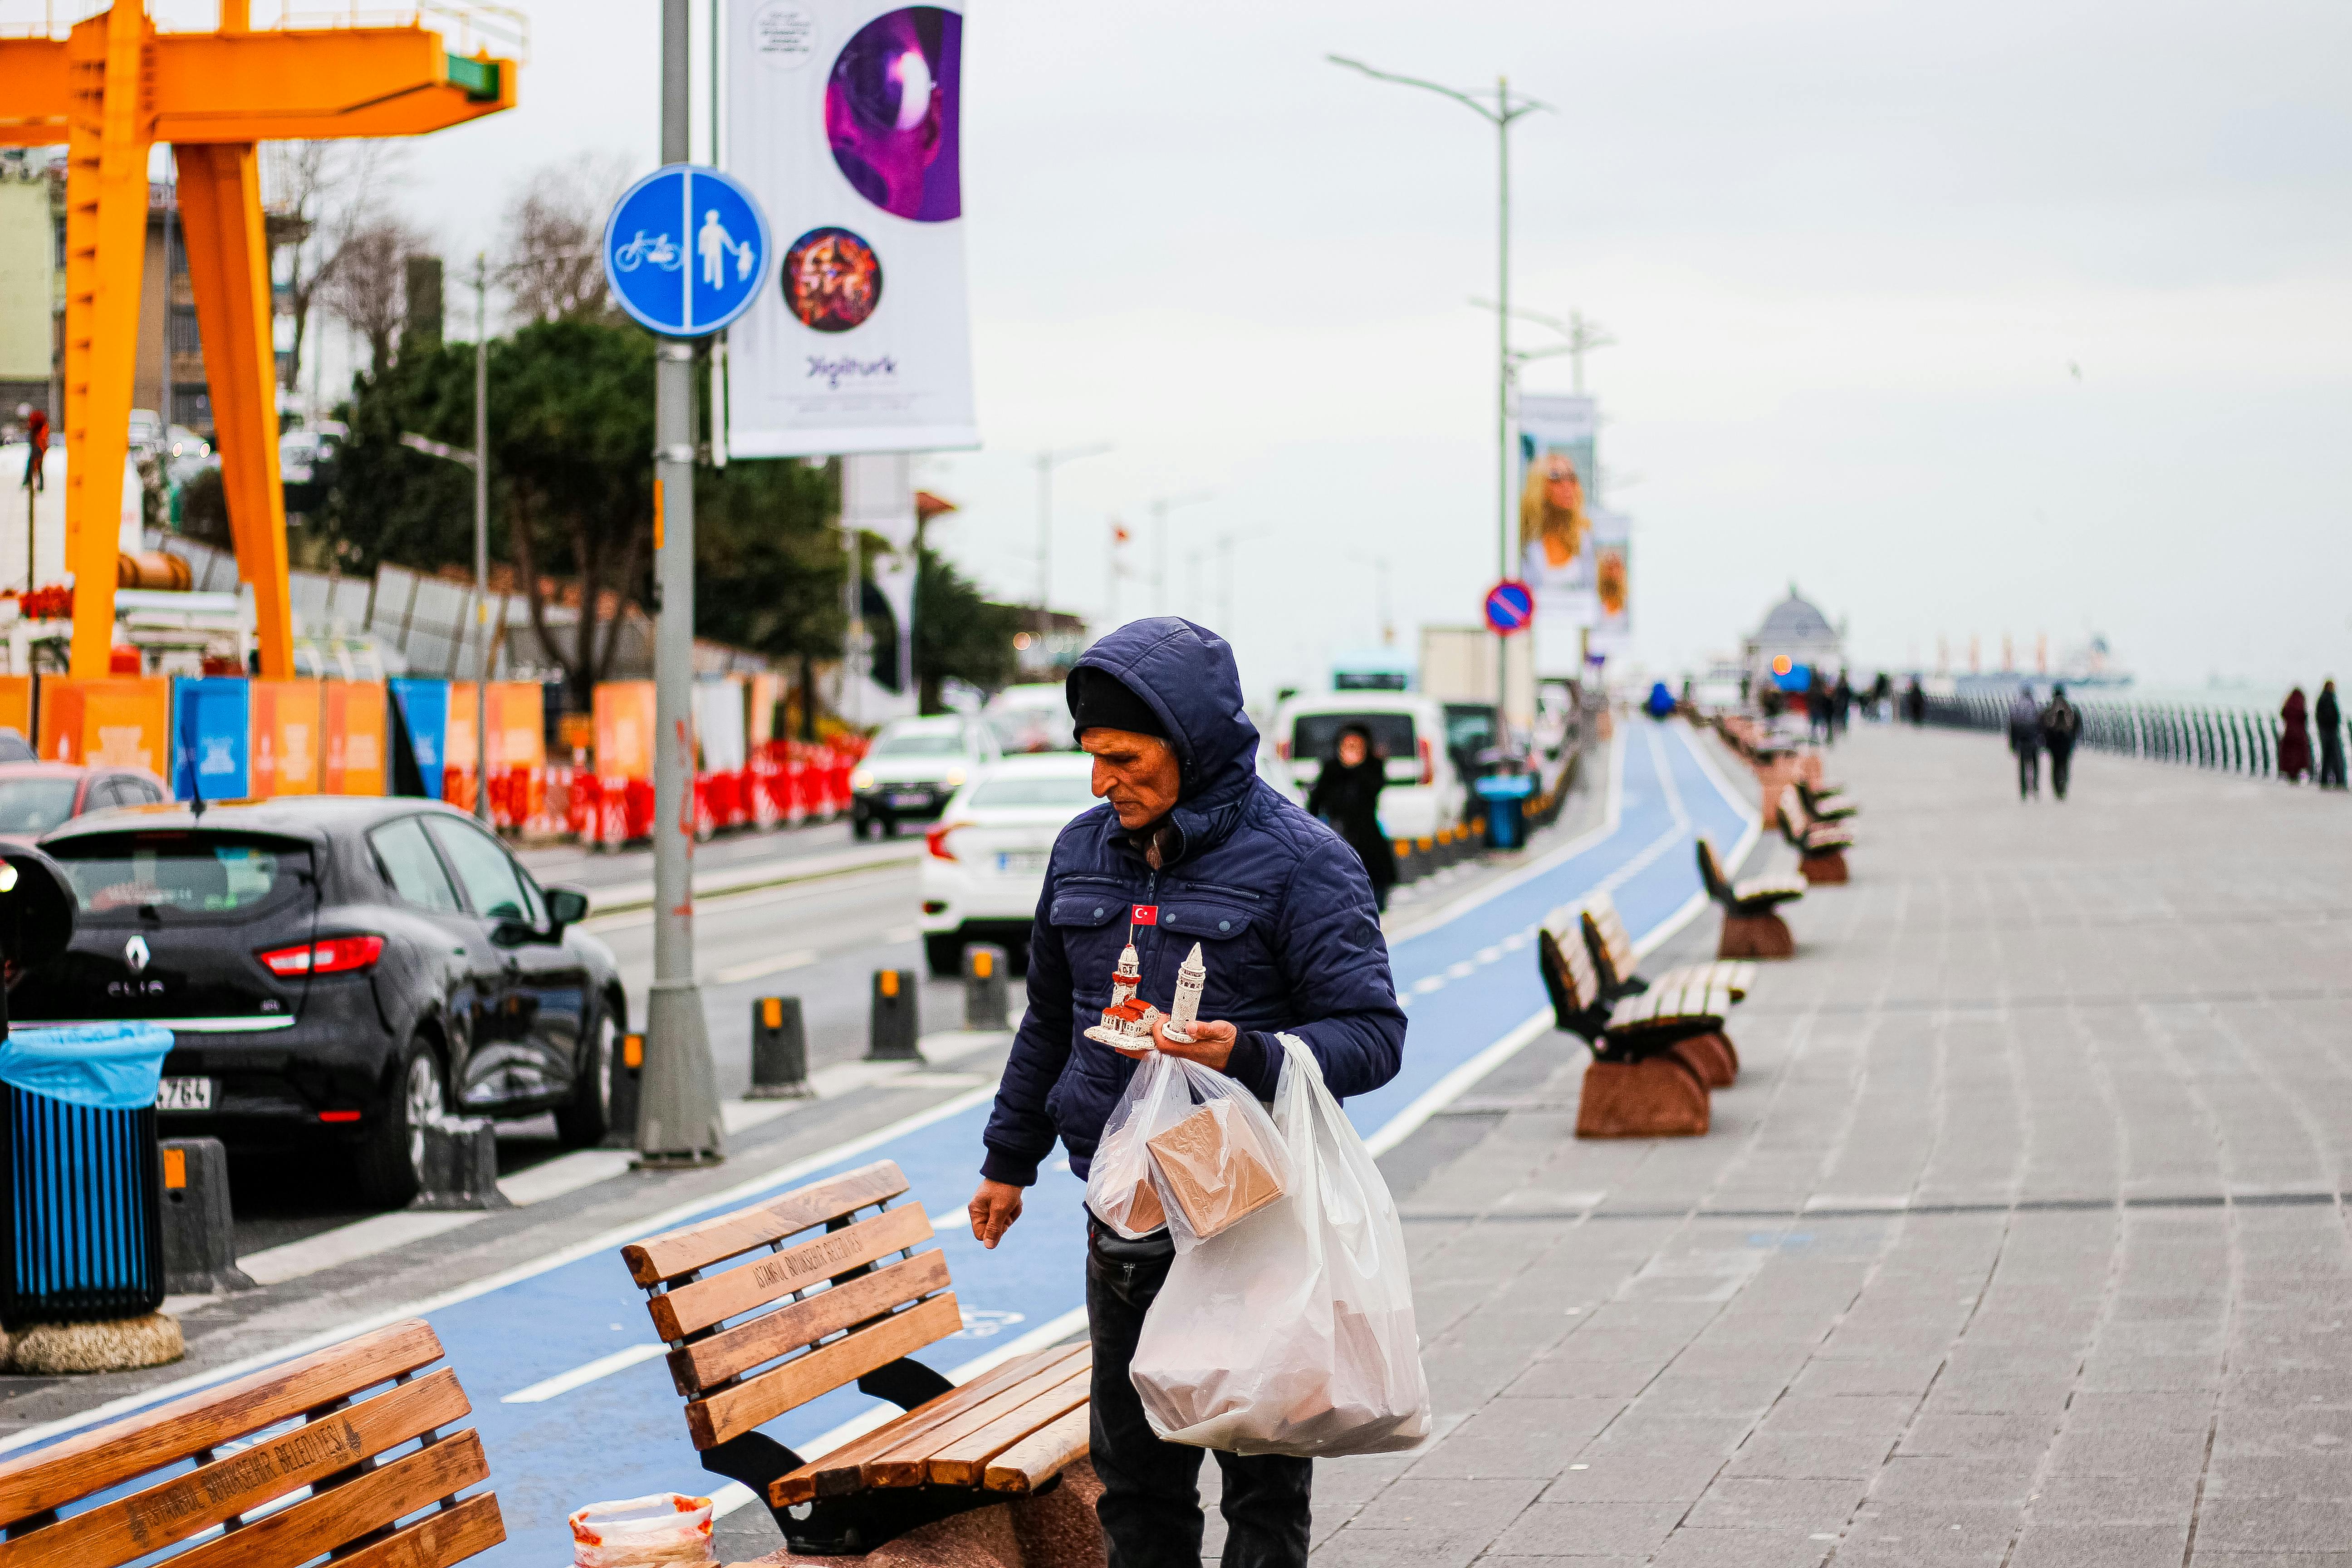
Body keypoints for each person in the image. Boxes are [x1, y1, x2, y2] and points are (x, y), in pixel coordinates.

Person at [968, 617, 1406, 1568]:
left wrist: (1247, 1052)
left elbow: (1374, 1037)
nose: (1101, 782)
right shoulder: (1080, 853)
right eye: (1092, 758)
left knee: (1262, 1487)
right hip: (1123, 1217)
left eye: (1123, 758)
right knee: (1137, 1486)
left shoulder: (1304, 860)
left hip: (1251, 1218)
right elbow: (1048, 1020)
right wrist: (1009, 1162)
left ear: (1190, 742)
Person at [1306, 722, 1397, 912]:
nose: (1351, 750)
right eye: (1347, 746)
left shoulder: (1373, 767)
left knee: (1375, 892)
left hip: (1368, 839)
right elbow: (1315, 803)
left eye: (1357, 746)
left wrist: (1356, 766)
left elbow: (1373, 790)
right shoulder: (1331, 770)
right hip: (1338, 837)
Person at [2040, 683, 2082, 801]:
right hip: (2067, 742)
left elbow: (2043, 725)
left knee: (2055, 765)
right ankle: (2063, 788)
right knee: (2065, 764)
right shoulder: (2071, 709)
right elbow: (2077, 725)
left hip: (2054, 742)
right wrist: (2073, 739)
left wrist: (2045, 740)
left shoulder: (2049, 709)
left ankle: (2057, 790)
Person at [2008, 683, 2042, 799]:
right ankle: (2035, 787)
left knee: (2022, 765)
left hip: (2021, 742)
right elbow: (2040, 726)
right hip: (2033, 741)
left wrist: (2013, 744)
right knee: (2035, 765)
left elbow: (2012, 728)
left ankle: (2023, 790)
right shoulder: (2035, 707)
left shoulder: (2016, 708)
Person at [2279, 687, 2312, 784]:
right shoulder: (2301, 704)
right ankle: (2297, 773)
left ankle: (2290, 773)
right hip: (2299, 735)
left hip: (2288, 734)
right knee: (2299, 755)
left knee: (2289, 755)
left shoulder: (2288, 704)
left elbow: (2283, 714)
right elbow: (2304, 717)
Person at [2318, 680, 2345, 790]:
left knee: (2328, 757)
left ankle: (2326, 780)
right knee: (2334, 756)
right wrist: (2333, 725)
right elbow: (2330, 716)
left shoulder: (2323, 698)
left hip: (2326, 732)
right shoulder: (2328, 698)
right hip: (2330, 732)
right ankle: (2338, 780)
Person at [1807, 669, 1832, 745]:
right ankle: (1824, 737)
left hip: (1817, 707)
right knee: (1819, 724)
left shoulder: (1812, 686)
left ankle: (1816, 738)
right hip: (1818, 708)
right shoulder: (1819, 686)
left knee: (1816, 724)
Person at [1833, 671, 1855, 736]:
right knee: (1841, 716)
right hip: (1841, 705)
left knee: (1842, 716)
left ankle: (1842, 728)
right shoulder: (1842, 688)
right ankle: (1841, 728)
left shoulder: (1842, 688)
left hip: (1842, 705)